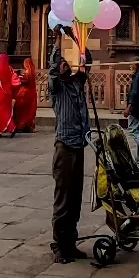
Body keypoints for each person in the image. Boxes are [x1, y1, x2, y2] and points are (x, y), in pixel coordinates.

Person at [48, 42, 91, 263]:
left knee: (75, 198)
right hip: (64, 147)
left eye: (67, 62)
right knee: (63, 199)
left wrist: (80, 41)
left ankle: (71, 242)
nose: (65, 64)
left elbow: (86, 65)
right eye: (62, 62)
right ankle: (59, 245)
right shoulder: (57, 87)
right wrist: (57, 42)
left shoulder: (76, 83)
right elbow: (53, 70)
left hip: (79, 145)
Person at [0, 51, 18, 136]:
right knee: (5, 110)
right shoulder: (10, 69)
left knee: (0, 111)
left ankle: (11, 127)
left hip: (1, 92)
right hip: (9, 92)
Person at [13, 56, 38, 134]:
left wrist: (17, 78)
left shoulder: (27, 72)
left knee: (21, 110)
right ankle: (28, 125)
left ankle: (21, 125)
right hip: (31, 93)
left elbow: (25, 81)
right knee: (28, 111)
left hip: (24, 94)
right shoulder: (32, 72)